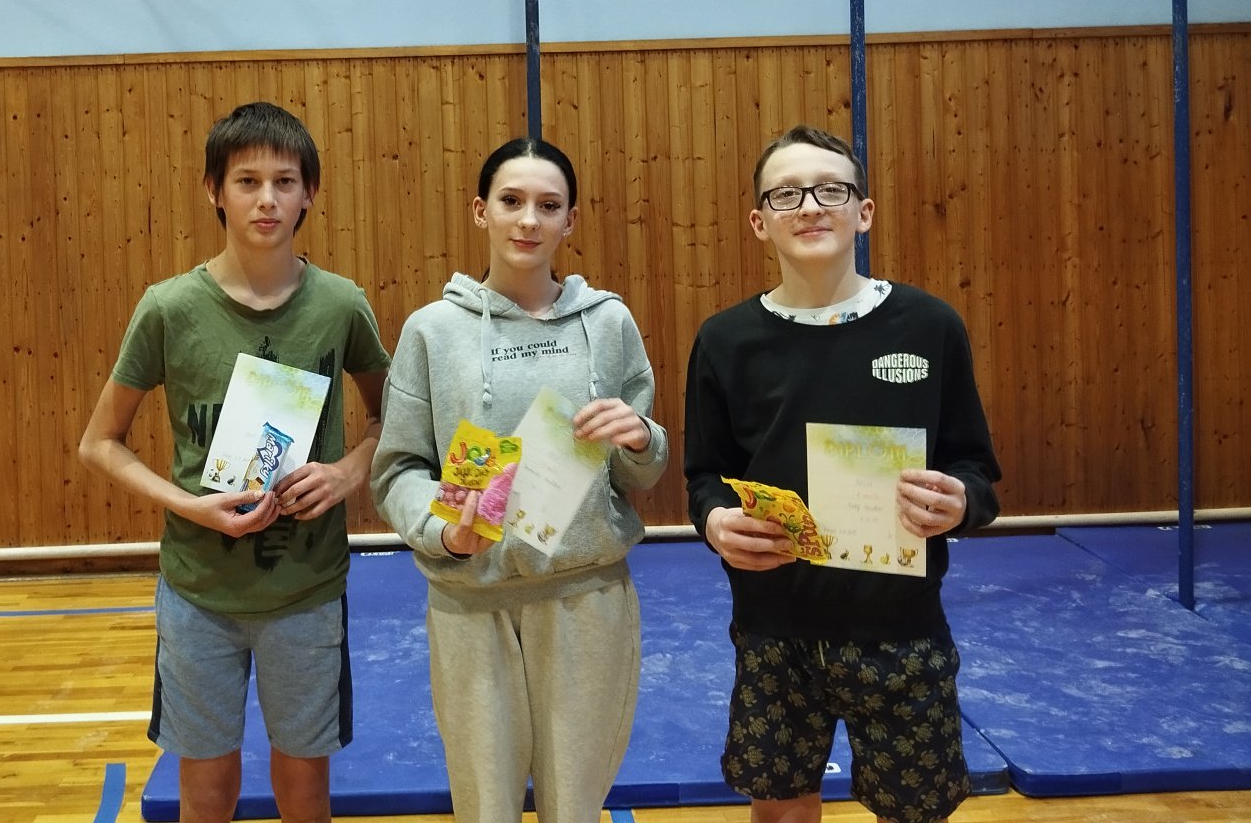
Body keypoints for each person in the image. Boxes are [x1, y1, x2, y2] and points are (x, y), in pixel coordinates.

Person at [79, 101, 390, 823]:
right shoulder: (168, 308)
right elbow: (99, 442)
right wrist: (189, 506)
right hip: (199, 592)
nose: (266, 199)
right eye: (247, 181)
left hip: (306, 590)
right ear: (214, 191)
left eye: (285, 181)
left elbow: (392, 419)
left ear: (309, 194)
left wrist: (346, 472)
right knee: (206, 791)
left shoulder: (340, 305)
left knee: (305, 791)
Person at [684, 124, 1002, 823]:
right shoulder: (725, 340)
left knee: (914, 811)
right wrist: (715, 522)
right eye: (785, 194)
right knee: (780, 810)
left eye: (830, 190)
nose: (808, 206)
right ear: (759, 222)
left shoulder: (929, 326)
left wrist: (961, 502)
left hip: (901, 626)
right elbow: (705, 476)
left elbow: (975, 469)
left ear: (863, 211)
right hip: (773, 627)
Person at [371, 135, 669, 823]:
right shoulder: (432, 331)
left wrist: (638, 437)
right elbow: (398, 470)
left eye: (548, 205)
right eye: (511, 201)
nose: (528, 220)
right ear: (481, 211)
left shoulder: (609, 323)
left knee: (575, 809)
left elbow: (641, 471)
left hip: (585, 598)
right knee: (485, 809)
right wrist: (444, 532)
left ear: (571, 220)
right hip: (470, 603)